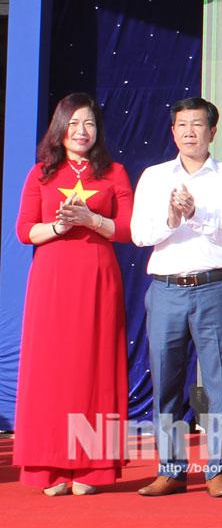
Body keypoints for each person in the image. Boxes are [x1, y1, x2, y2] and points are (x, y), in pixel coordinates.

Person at [14, 92, 134, 496]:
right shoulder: (41, 174)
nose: (82, 131)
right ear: (60, 127)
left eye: (90, 123)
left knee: (95, 367)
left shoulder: (114, 173)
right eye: (75, 122)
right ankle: (48, 465)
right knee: (50, 370)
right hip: (51, 279)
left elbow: (128, 229)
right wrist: (60, 227)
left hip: (97, 277)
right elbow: (24, 230)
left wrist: (92, 219)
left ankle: (93, 468)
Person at [130, 97, 222, 498]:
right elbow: (140, 234)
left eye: (197, 124)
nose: (189, 131)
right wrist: (171, 219)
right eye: (182, 125)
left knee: (219, 383)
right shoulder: (154, 176)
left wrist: (196, 215)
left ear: (213, 131)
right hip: (166, 291)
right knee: (166, 384)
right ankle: (170, 469)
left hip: (213, 287)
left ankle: (218, 470)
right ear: (173, 131)